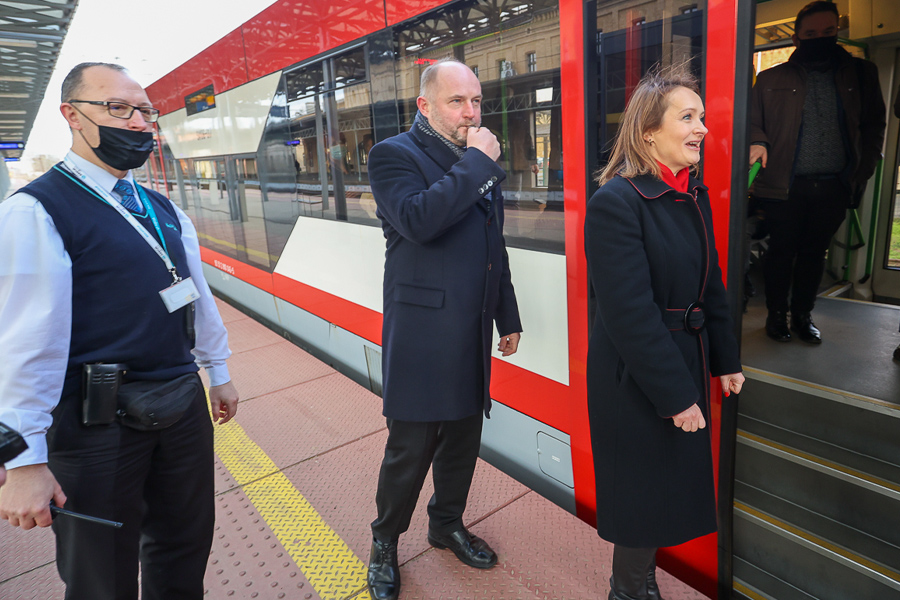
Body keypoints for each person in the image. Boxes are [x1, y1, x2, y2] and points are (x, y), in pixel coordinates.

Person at [0, 62, 239, 600]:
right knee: (100, 575)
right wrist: (23, 460)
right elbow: (21, 345)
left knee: (185, 544)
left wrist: (217, 370)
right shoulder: (35, 212)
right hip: (92, 428)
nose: (137, 123)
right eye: (118, 108)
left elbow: (195, 294)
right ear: (72, 115)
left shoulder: (164, 209)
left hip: (180, 407)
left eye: (145, 112)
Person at [584, 66, 744, 600]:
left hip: (682, 361)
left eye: (703, 118)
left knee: (660, 485)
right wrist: (677, 396)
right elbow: (628, 314)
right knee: (643, 491)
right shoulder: (617, 202)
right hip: (637, 376)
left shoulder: (690, 197)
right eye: (688, 117)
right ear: (649, 131)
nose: (702, 128)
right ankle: (628, 590)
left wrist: (726, 359)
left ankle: (637, 583)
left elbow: (712, 286)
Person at [365, 58, 522, 600]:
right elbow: (418, 220)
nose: (471, 112)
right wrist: (478, 161)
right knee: (410, 448)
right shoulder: (393, 156)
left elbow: (491, 245)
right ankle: (385, 541)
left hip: (472, 329)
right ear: (425, 105)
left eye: (476, 101)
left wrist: (508, 313)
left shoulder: (473, 162)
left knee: (462, 438)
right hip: (423, 334)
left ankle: (445, 523)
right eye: (458, 101)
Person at [749, 0, 886, 344]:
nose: (819, 38)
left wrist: (861, 171)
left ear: (837, 31)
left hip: (834, 184)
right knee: (781, 252)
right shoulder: (769, 79)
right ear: (796, 39)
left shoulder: (861, 73)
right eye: (810, 34)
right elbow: (751, 123)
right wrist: (758, 142)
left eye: (828, 32)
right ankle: (776, 316)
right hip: (784, 186)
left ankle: (803, 315)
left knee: (814, 254)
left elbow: (873, 126)